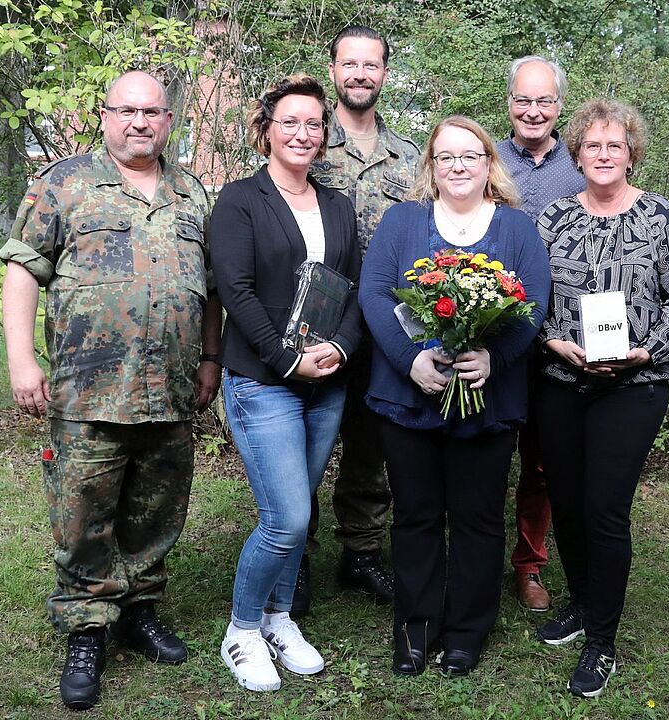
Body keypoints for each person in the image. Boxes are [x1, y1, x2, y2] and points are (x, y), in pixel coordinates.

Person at [0, 70, 223, 711]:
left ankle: (139, 608)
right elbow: (22, 271)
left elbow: (207, 286)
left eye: (152, 112)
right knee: (82, 510)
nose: (139, 122)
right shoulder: (64, 183)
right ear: (104, 115)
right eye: (126, 111)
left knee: (157, 507)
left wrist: (211, 358)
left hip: (171, 387)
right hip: (89, 389)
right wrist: (21, 361)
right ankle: (87, 627)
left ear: (169, 120)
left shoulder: (190, 190)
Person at [359, 116, 548, 677]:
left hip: (485, 401)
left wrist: (495, 356)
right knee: (415, 515)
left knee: (478, 517)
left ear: (489, 163)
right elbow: (373, 293)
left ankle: (466, 630)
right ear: (431, 167)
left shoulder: (515, 229)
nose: (458, 166)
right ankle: (415, 628)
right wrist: (410, 359)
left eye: (469, 155)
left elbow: (533, 302)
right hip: (410, 396)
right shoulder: (402, 221)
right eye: (446, 157)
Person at [533, 98, 669, 698]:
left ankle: (601, 640)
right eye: (593, 145)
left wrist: (644, 352)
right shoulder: (552, 218)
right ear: (575, 153)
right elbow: (526, 297)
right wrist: (553, 342)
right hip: (561, 381)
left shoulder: (660, 217)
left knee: (604, 508)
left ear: (631, 154)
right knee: (569, 503)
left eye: (615, 145)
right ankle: (580, 602)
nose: (603, 155)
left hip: (633, 386)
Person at [209, 74, 363, 692]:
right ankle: (242, 629)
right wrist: (286, 359)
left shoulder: (338, 206)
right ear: (266, 131)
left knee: (299, 508)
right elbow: (236, 294)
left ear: (324, 135)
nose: (303, 133)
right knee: (288, 516)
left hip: (325, 382)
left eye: (313, 123)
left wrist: (339, 349)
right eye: (290, 122)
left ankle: (278, 618)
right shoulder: (239, 201)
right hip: (264, 382)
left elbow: (353, 289)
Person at [289, 24, 420, 615]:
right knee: (304, 445)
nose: (361, 74)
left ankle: (361, 553)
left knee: (372, 445)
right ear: (334, 70)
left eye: (372, 65)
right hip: (318, 325)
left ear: (384, 73)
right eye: (350, 64)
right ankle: (294, 558)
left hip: (388, 328)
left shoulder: (412, 158)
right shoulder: (309, 142)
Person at [495, 55, 587, 612]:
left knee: (543, 461)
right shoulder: (486, 160)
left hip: (557, 338)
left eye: (544, 101)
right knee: (481, 449)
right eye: (523, 99)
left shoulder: (581, 168)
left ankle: (529, 564)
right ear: (509, 102)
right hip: (491, 334)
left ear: (559, 107)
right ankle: (474, 555)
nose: (533, 111)